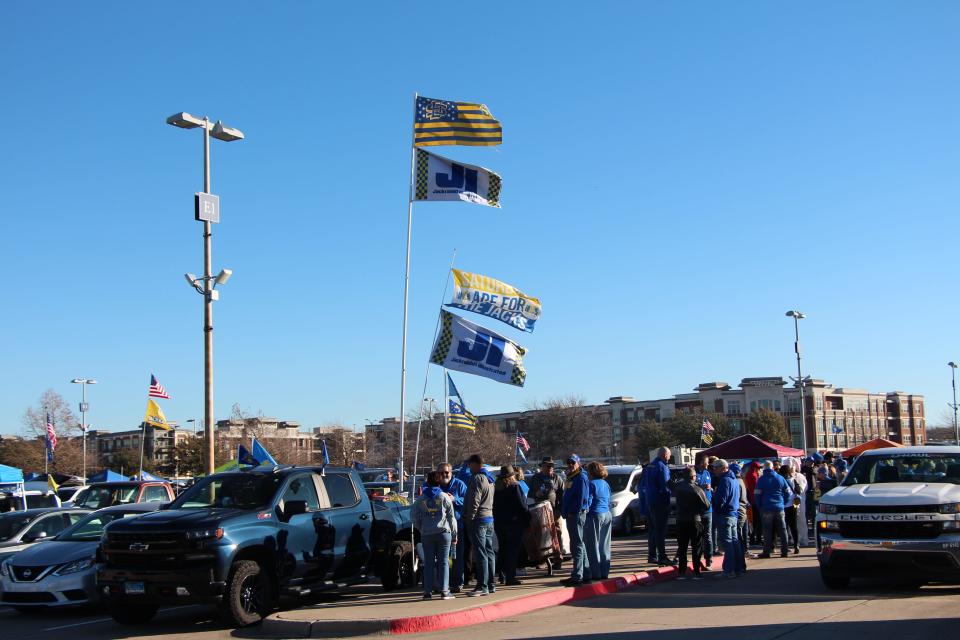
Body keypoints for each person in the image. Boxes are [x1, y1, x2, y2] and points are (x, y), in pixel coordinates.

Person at [412, 471, 457, 600]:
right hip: (443, 533)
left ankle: (427, 592)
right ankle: (444, 591)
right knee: (444, 562)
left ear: (427, 481)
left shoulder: (421, 499)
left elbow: (414, 516)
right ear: (439, 481)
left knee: (429, 563)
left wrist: (421, 527)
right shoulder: (444, 497)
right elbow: (451, 517)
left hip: (427, 534)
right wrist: (454, 534)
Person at [463, 454, 496, 597]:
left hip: (478, 520)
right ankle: (490, 583)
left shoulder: (477, 478)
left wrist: (469, 517)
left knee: (480, 553)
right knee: (489, 552)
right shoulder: (490, 479)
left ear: (476, 464)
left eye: (469, 464)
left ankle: (482, 585)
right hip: (489, 518)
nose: (469, 467)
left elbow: (474, 500)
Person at [493, 465, 530, 586]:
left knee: (503, 549)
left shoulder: (496, 489)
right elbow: (522, 506)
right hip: (514, 524)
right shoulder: (515, 487)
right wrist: (528, 519)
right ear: (512, 476)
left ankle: (501, 575)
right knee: (513, 551)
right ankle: (510, 577)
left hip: (499, 523)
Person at [674, 466, 710, 580]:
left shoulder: (678, 487)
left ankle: (682, 572)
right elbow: (706, 505)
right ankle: (696, 572)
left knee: (682, 547)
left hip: (681, 520)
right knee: (696, 547)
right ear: (693, 477)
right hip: (695, 519)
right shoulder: (697, 489)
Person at [561, 453, 591, 586]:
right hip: (571, 514)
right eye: (569, 463)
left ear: (578, 463)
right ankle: (585, 573)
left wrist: (574, 512)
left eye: (573, 462)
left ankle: (577, 576)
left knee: (577, 545)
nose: (570, 465)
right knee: (579, 544)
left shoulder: (581, 477)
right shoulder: (571, 477)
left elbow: (582, 498)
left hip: (576, 515)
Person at [437, 462, 468, 592]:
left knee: (456, 556)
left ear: (451, 472)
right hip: (440, 528)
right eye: (442, 472)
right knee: (442, 558)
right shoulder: (435, 486)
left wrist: (454, 499)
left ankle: (457, 583)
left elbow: (468, 500)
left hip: (457, 527)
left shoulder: (459, 484)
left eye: (447, 472)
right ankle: (443, 583)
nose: (444, 474)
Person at [711, 458, 743, 578]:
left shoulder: (725, 481)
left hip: (725, 514)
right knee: (734, 542)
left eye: (716, 468)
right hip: (733, 514)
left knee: (728, 543)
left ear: (723, 468)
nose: (714, 470)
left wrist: (715, 501)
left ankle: (729, 570)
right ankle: (737, 568)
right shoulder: (734, 480)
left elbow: (722, 499)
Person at [643, 446, 674, 566]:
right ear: (665, 455)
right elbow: (665, 486)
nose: (670, 457)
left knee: (652, 530)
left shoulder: (650, 466)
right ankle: (662, 556)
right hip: (660, 502)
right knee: (660, 530)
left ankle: (652, 555)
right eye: (669, 455)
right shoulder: (662, 467)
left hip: (650, 501)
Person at [755, 461, 793, 558]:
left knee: (767, 530)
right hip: (779, 507)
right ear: (772, 468)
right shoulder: (780, 478)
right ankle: (784, 551)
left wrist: (759, 505)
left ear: (764, 468)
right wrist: (783, 502)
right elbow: (788, 492)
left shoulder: (761, 479)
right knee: (782, 529)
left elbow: (757, 494)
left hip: (766, 507)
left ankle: (766, 552)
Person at [528, 457, 564, 557]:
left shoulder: (557, 478)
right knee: (542, 535)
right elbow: (529, 494)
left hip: (554, 510)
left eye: (552, 466)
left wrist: (559, 509)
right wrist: (536, 494)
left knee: (557, 533)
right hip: (540, 512)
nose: (550, 468)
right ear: (542, 467)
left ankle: (558, 557)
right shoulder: (535, 478)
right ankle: (543, 559)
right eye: (548, 466)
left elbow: (562, 495)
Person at [584, 461, 612, 581]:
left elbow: (588, 501)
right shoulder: (605, 483)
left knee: (592, 545)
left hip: (594, 515)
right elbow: (609, 499)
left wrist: (583, 510)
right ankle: (605, 571)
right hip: (607, 514)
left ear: (591, 472)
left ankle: (596, 573)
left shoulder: (591, 484)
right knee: (604, 545)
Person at [694, 457, 714, 570]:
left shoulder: (707, 473)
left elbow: (709, 488)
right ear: (700, 463)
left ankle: (708, 559)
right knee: (697, 536)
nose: (707, 466)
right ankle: (697, 559)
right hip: (697, 510)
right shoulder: (694, 473)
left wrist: (710, 489)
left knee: (708, 535)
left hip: (708, 509)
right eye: (706, 463)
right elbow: (692, 488)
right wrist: (701, 487)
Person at [729, 462, 750, 567]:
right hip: (743, 510)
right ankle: (741, 563)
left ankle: (740, 564)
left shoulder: (735, 482)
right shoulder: (741, 480)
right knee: (741, 536)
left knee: (737, 538)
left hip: (738, 511)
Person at [779, 464, 803, 555]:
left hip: (783, 506)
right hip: (793, 506)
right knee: (794, 527)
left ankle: (785, 546)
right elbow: (799, 491)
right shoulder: (793, 480)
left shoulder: (780, 480)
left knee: (783, 527)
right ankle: (796, 545)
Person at [743, 461, 762, 546]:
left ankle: (752, 538)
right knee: (757, 521)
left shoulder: (748, 474)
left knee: (751, 521)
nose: (759, 469)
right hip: (754, 501)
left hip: (750, 500)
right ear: (755, 468)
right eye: (758, 468)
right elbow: (756, 489)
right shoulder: (753, 476)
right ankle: (756, 539)